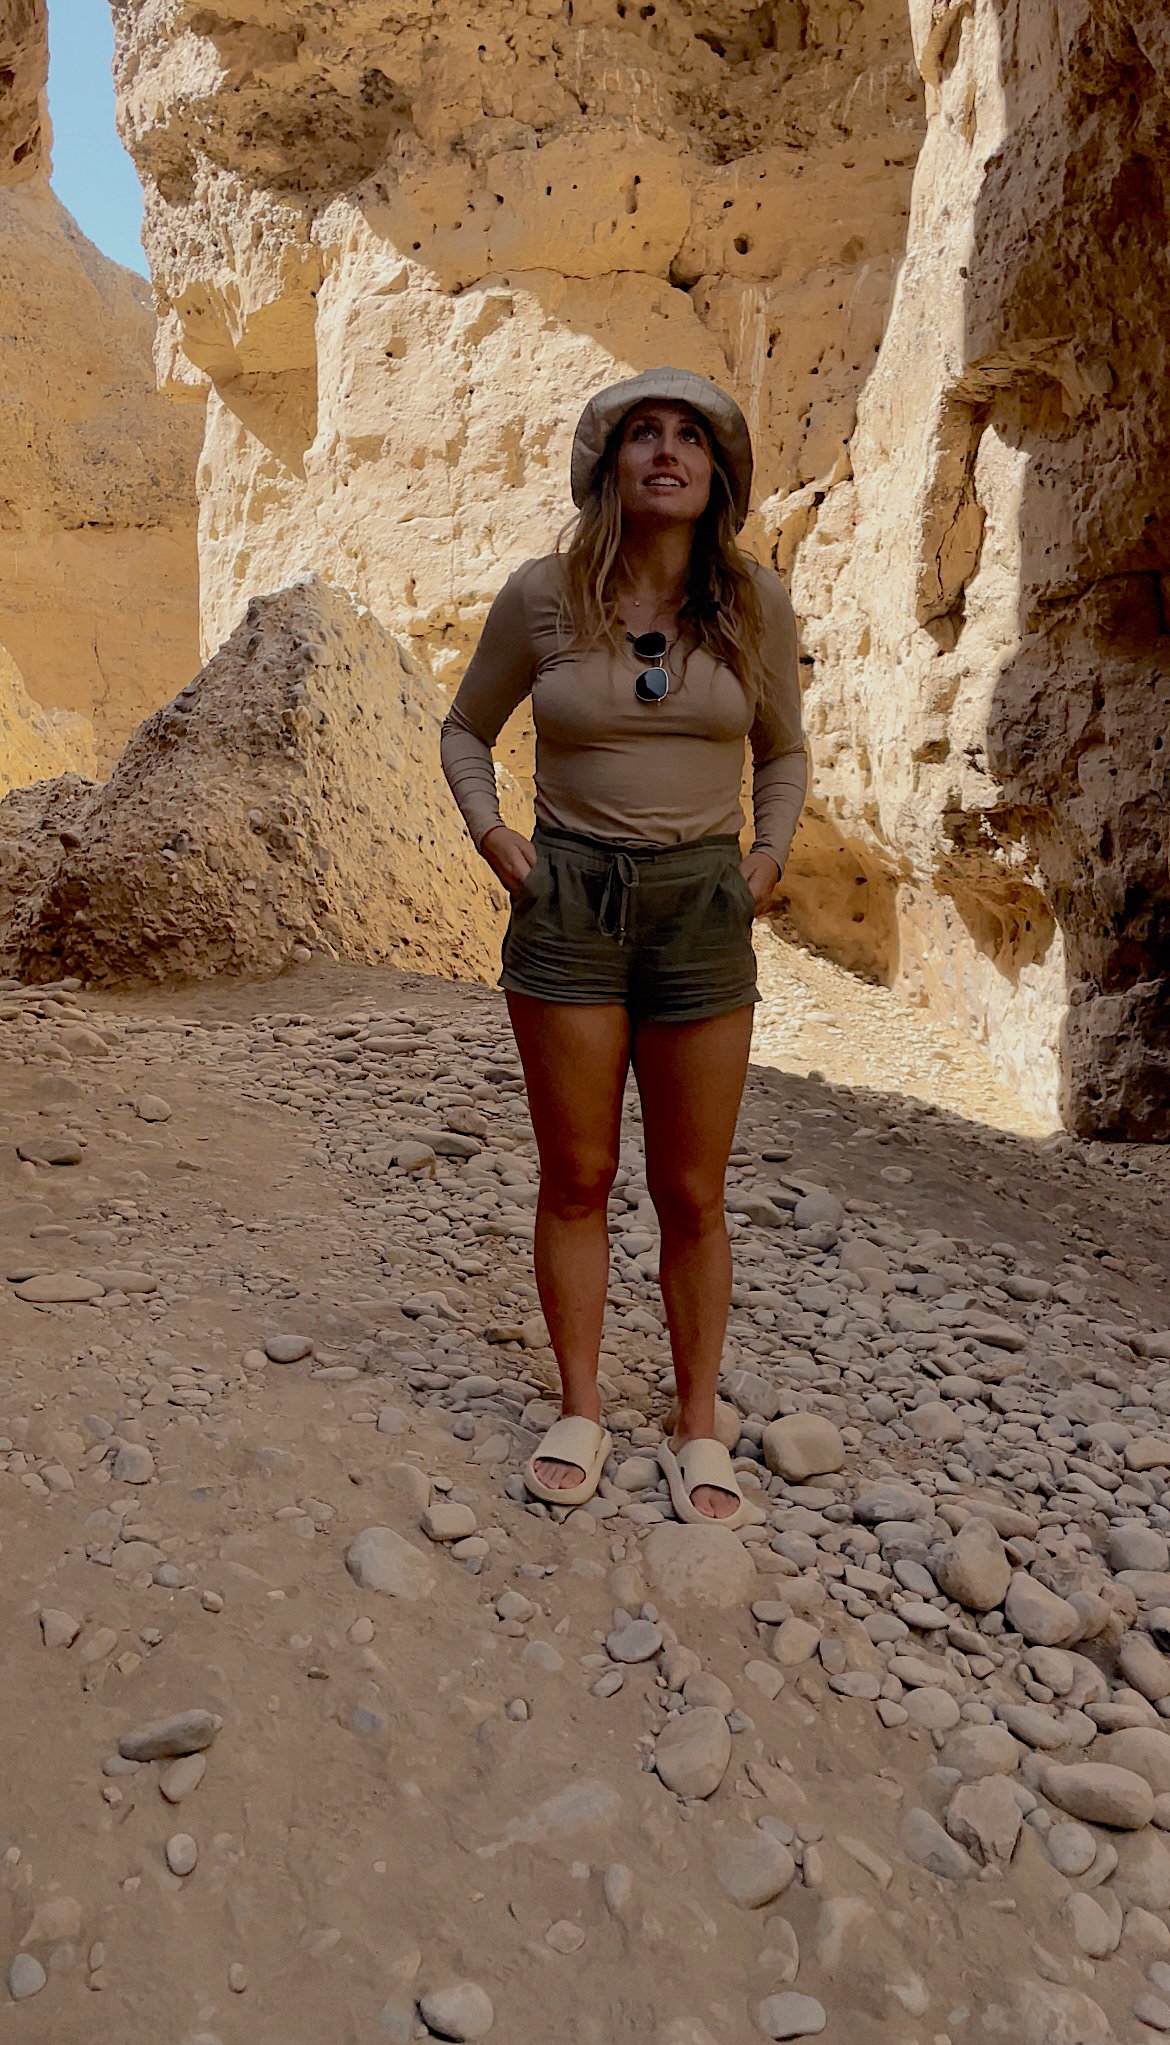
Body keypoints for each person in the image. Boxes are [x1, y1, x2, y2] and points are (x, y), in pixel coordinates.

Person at [440, 365, 807, 1525]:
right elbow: (464, 728)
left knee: (692, 1189)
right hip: (569, 896)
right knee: (581, 1174)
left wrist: (765, 864)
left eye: (690, 436)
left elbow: (783, 751)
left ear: (718, 473)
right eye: (641, 434)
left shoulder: (754, 601)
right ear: (608, 467)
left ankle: (699, 1423)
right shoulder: (544, 596)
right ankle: (584, 1404)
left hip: (703, 903)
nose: (666, 451)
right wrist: (500, 842)